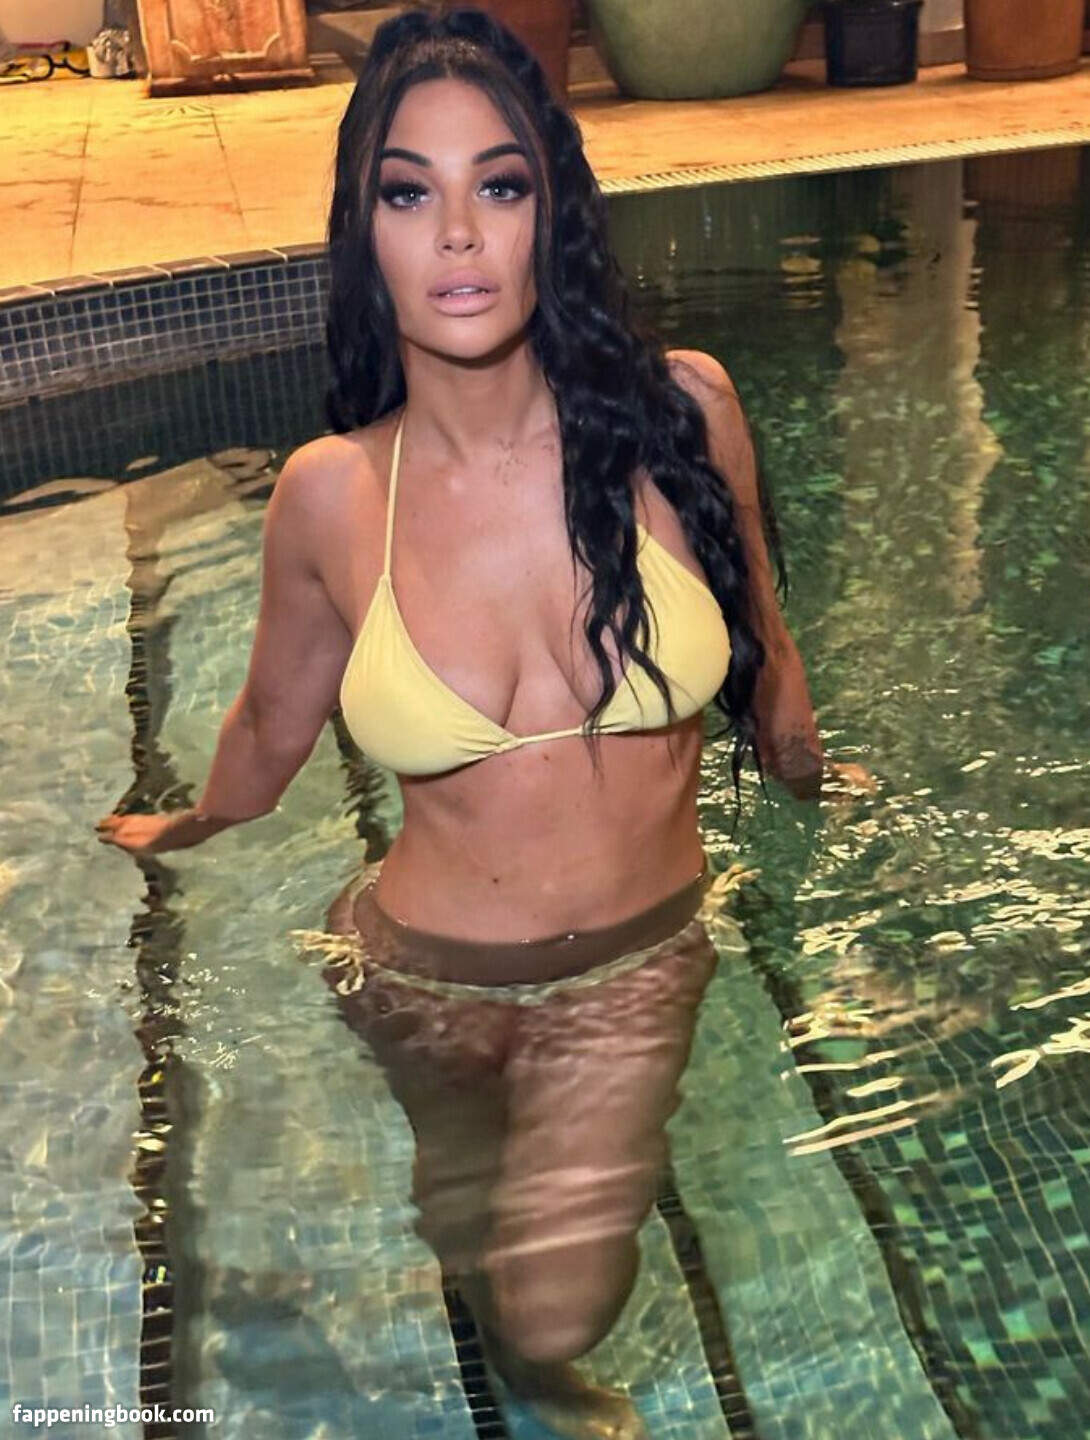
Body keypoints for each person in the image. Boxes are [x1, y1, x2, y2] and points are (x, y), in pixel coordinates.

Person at [97, 10, 873, 1437]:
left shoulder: (681, 413)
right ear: (365, 232)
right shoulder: (334, 493)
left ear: (550, 212)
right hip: (412, 975)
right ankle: (525, 1387)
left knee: (558, 1296)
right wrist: (191, 823)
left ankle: (542, 1357)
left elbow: (766, 642)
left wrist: (815, 782)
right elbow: (270, 722)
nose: (457, 233)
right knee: (464, 1235)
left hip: (632, 972)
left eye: (497, 186)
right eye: (409, 193)